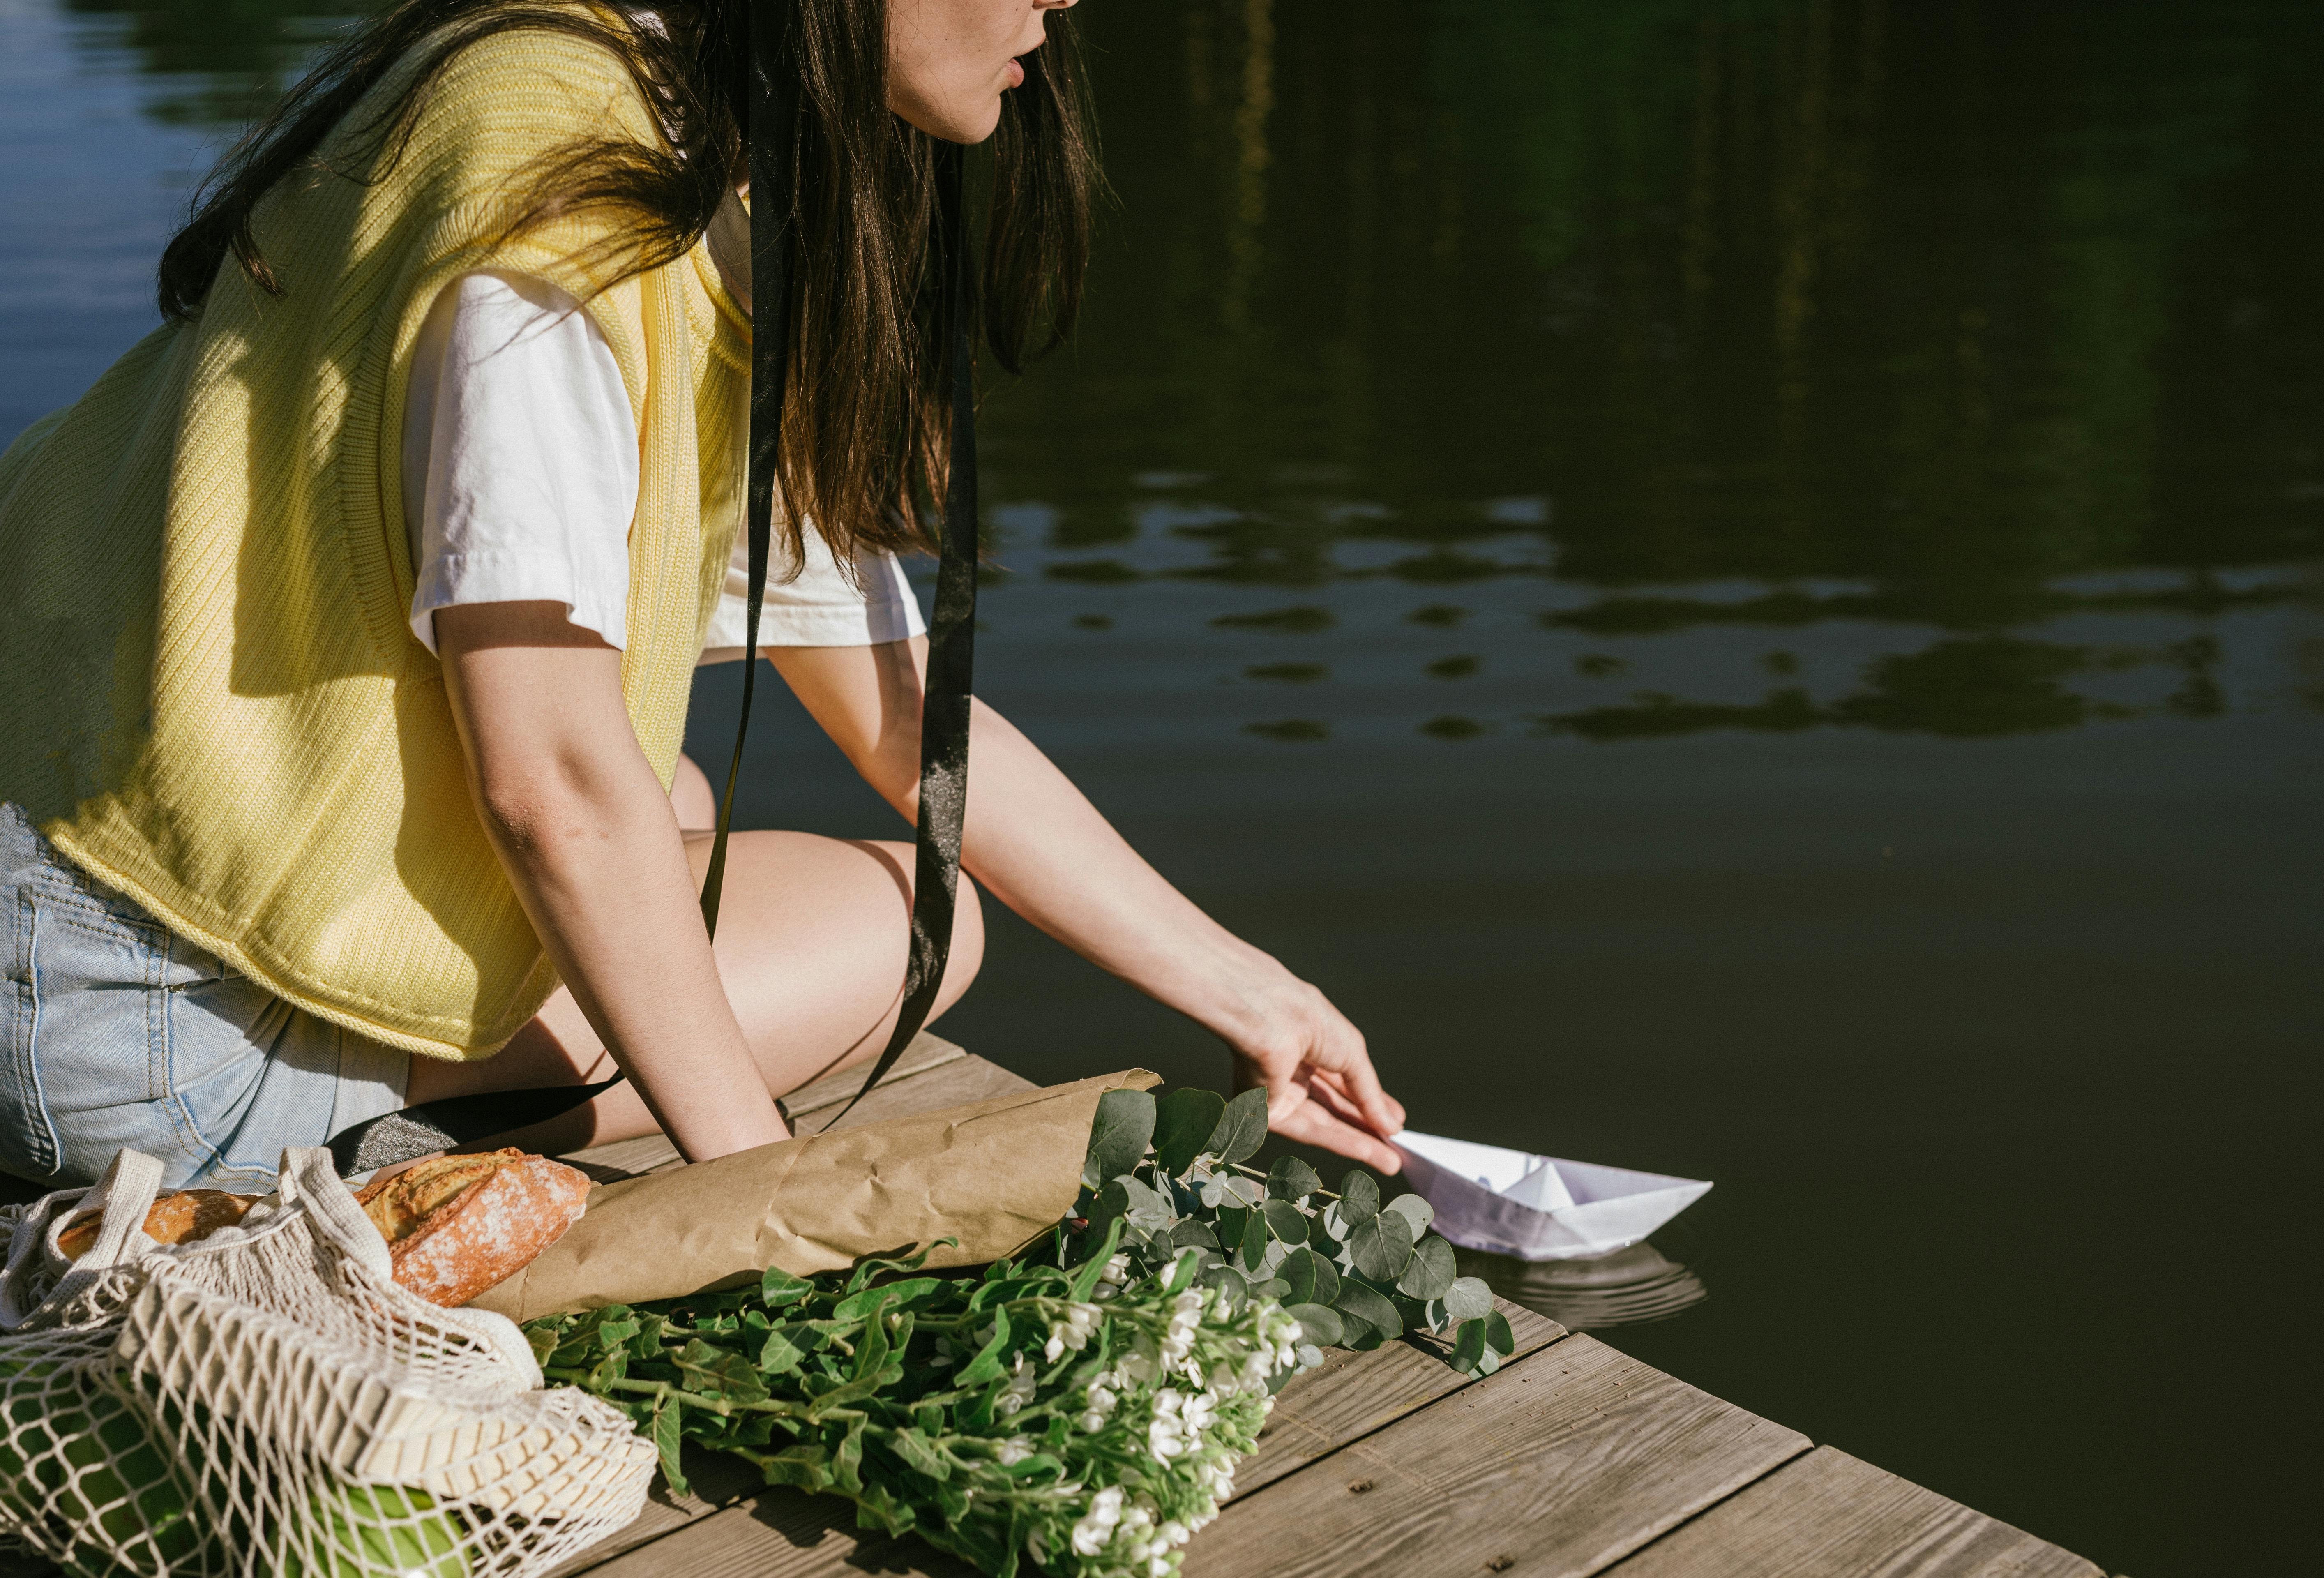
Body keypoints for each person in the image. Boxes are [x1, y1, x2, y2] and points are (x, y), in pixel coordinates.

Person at [0, 0, 1404, 1195]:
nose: (1064, 1)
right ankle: (348, 1153)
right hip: (132, 1048)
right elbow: (550, 786)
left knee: (673, 796)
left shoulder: (584, 81)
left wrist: (1259, 997)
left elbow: (912, 728)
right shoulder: (578, 222)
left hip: (56, 847)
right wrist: (768, 1205)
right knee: (918, 921)